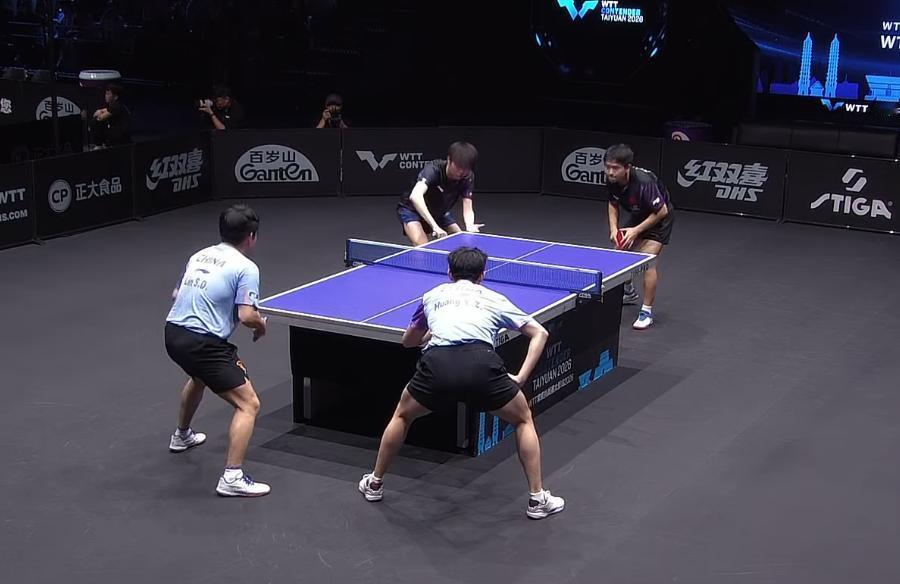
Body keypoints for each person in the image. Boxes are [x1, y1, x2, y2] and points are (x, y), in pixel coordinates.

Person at [358, 247, 565, 520]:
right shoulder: (495, 298)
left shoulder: (431, 296)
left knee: (402, 416)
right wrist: (521, 377)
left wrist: (430, 334)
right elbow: (540, 333)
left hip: (438, 365)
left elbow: (408, 341)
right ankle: (537, 499)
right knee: (523, 419)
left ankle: (374, 483)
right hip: (482, 365)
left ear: (449, 272)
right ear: (483, 274)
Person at [164, 205, 270, 497]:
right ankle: (232, 478)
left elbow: (176, 294)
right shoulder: (247, 268)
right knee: (249, 404)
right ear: (251, 236)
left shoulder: (199, 255)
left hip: (172, 334)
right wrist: (261, 326)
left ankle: (181, 436)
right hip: (203, 344)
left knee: (199, 377)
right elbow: (247, 315)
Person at [604, 143, 674, 330]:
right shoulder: (611, 180)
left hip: (660, 219)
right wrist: (614, 229)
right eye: (608, 167)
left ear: (627, 167)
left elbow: (662, 211)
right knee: (619, 254)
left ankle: (646, 312)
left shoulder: (644, 182)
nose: (610, 172)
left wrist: (636, 231)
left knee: (647, 262)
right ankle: (628, 292)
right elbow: (612, 204)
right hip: (639, 215)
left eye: (615, 168)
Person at [396, 142, 483, 246]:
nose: (461, 172)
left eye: (465, 169)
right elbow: (415, 196)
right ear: (449, 160)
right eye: (458, 167)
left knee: (460, 241)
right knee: (423, 247)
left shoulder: (467, 177)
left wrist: (469, 225)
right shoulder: (433, 170)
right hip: (411, 209)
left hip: (439, 211)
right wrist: (435, 226)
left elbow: (467, 205)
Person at [89, 84, 131, 148]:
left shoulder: (116, 106)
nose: (106, 96)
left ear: (115, 97)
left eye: (108, 94)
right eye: (106, 94)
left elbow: (100, 118)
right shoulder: (116, 105)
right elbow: (104, 110)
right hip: (117, 130)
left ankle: (99, 145)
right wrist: (100, 111)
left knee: (95, 122)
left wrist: (99, 113)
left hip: (120, 132)